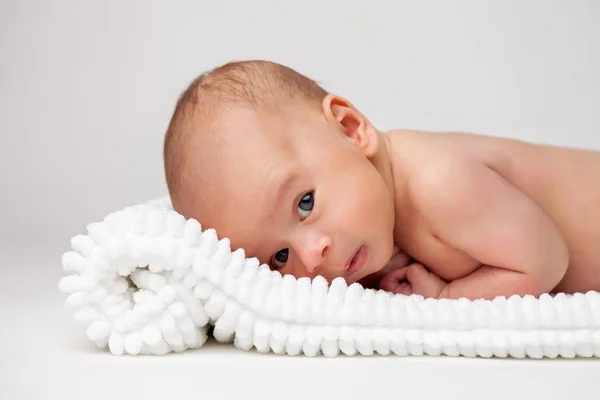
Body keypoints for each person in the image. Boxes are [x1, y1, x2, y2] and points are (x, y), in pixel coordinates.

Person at [163, 59, 600, 300]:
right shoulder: (374, 231)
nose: (312, 257)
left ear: (352, 129)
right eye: (279, 256)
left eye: (305, 204)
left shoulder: (440, 183)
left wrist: (447, 297)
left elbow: (544, 262)